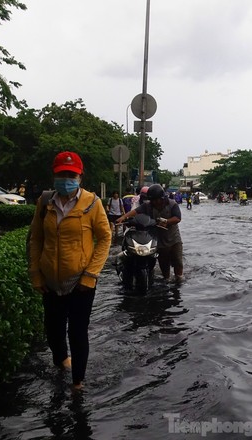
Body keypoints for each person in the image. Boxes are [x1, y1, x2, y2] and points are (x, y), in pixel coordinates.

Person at [28, 151, 112, 391]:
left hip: (81, 282)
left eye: (71, 174)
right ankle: (60, 361)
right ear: (54, 175)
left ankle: (77, 382)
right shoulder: (45, 202)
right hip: (50, 281)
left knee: (77, 331)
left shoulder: (93, 204)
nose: (66, 178)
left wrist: (90, 274)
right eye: (62, 174)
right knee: (53, 331)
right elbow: (36, 239)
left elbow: (105, 239)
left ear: (80, 176)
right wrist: (35, 273)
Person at [116, 183, 183, 283]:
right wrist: (123, 217)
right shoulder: (148, 206)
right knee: (163, 262)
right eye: (153, 200)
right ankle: (167, 280)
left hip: (173, 238)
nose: (155, 202)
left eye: (157, 200)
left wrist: (166, 221)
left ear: (162, 198)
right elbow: (136, 211)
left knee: (177, 261)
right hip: (158, 239)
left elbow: (177, 218)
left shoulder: (172, 204)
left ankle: (179, 278)